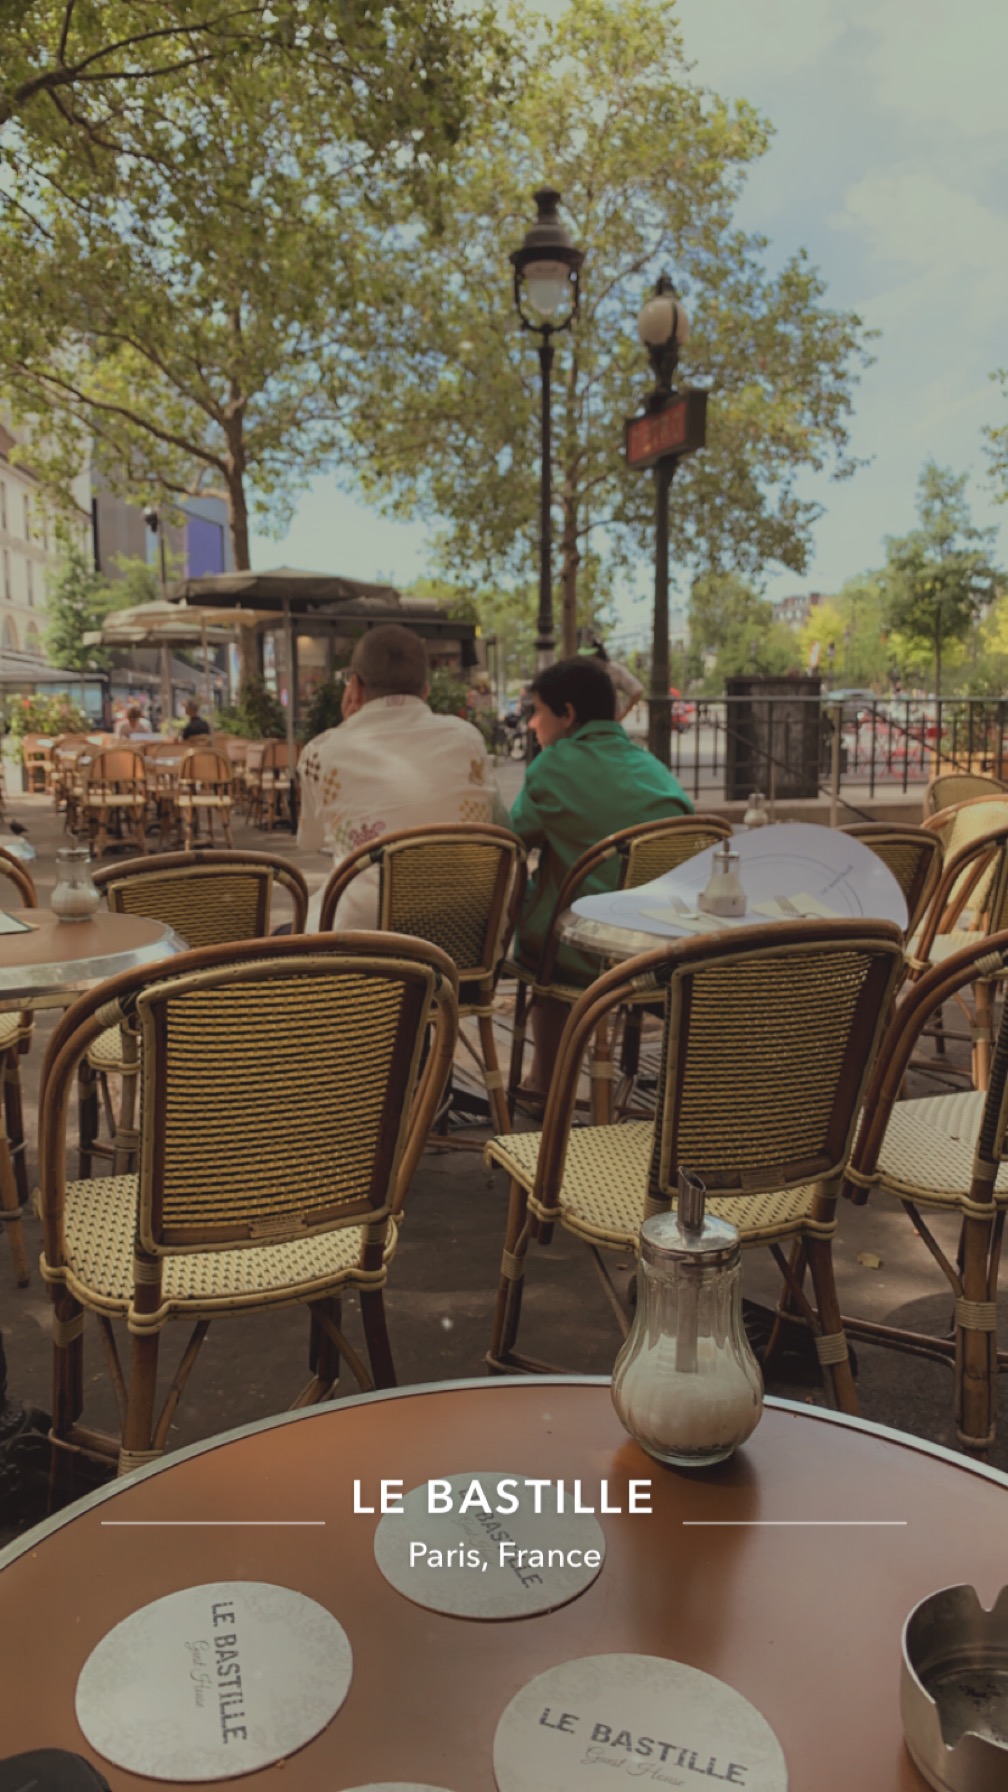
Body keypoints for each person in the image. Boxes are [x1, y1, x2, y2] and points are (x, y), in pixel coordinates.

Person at [511, 656, 692, 1105]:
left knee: (543, 926)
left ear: (568, 714)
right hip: (659, 949)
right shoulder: (655, 770)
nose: (532, 724)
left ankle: (545, 1084)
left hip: (581, 954)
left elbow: (510, 842)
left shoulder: (551, 767)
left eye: (538, 711)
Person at [298, 623, 508, 929]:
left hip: (363, 940)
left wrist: (345, 730)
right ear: (425, 689)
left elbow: (311, 840)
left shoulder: (321, 752)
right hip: (463, 934)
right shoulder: (467, 738)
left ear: (354, 686)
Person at [586, 639, 644, 723]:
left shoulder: (613, 670)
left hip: (609, 723)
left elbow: (637, 690)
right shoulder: (580, 671)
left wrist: (623, 714)